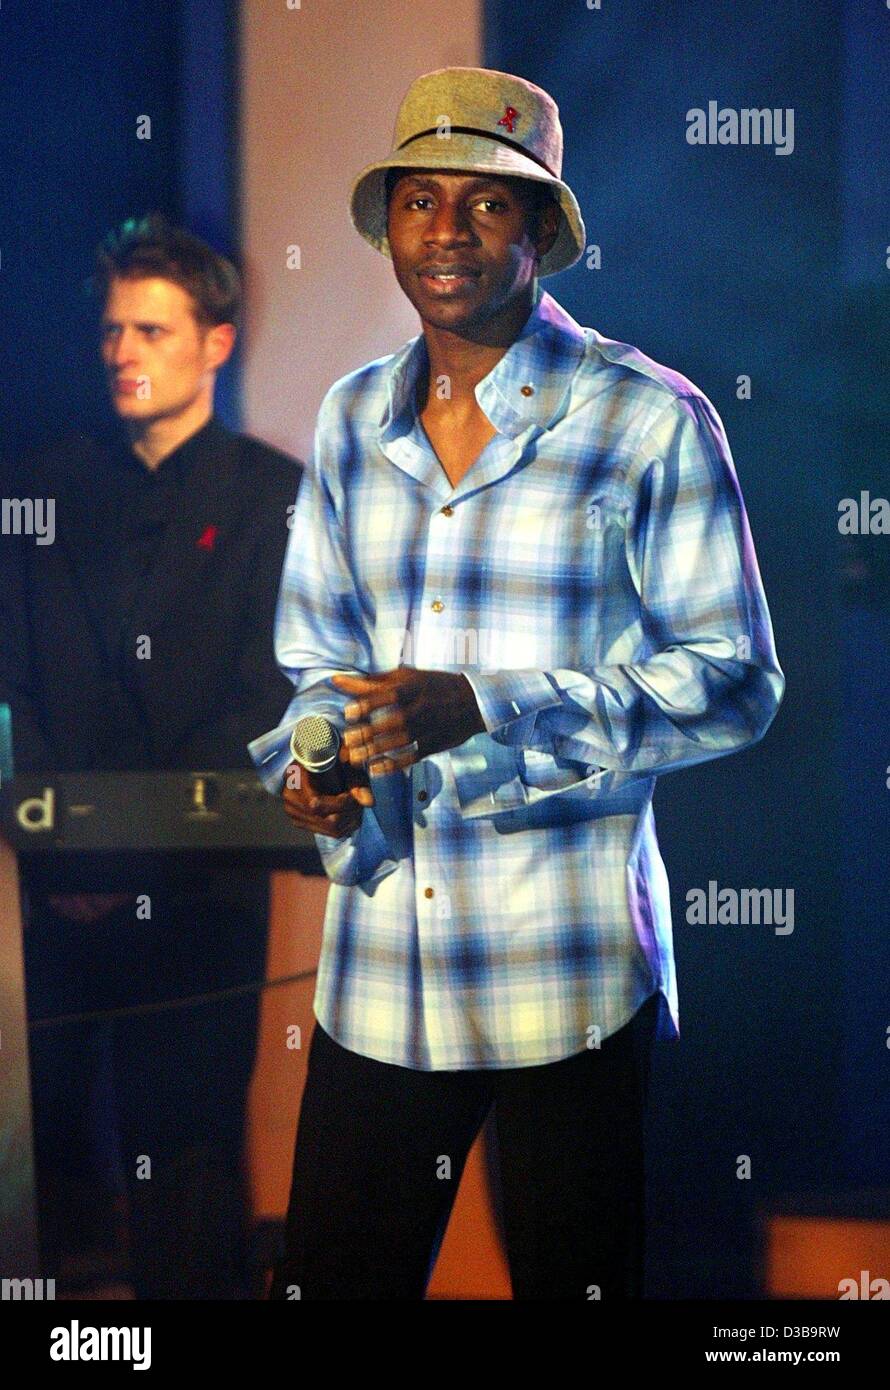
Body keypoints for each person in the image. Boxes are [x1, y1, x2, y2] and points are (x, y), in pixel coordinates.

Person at [267, 67, 785, 1301]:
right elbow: (312, 667)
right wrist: (313, 765)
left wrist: (490, 703)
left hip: (565, 971)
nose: (444, 232)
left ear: (540, 230)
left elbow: (734, 683)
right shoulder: (348, 420)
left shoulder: (650, 420)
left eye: (485, 206)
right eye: (418, 200)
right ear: (388, 224)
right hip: (383, 967)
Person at [0, 214, 302, 1298]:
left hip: (200, 897)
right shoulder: (37, 484)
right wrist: (68, 853)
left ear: (216, 343)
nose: (122, 351)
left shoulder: (274, 496)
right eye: (113, 328)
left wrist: (133, 852)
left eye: (152, 330)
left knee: (189, 1159)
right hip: (42, 900)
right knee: (40, 1162)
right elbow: (9, 687)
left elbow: (264, 704)